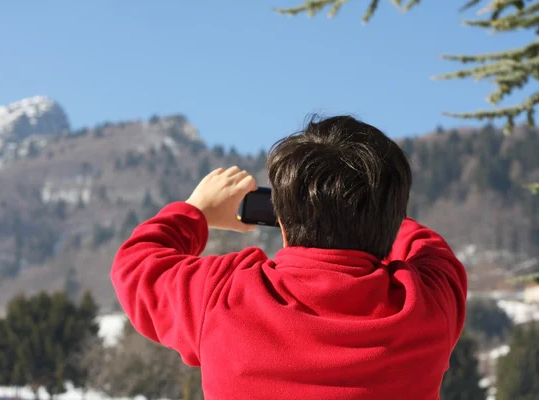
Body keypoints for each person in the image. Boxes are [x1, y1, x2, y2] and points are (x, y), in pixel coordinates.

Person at [110, 115, 467, 400]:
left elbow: (136, 265)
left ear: (280, 219)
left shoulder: (222, 295)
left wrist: (196, 212)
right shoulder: (428, 305)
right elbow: (429, 248)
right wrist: (376, 212)